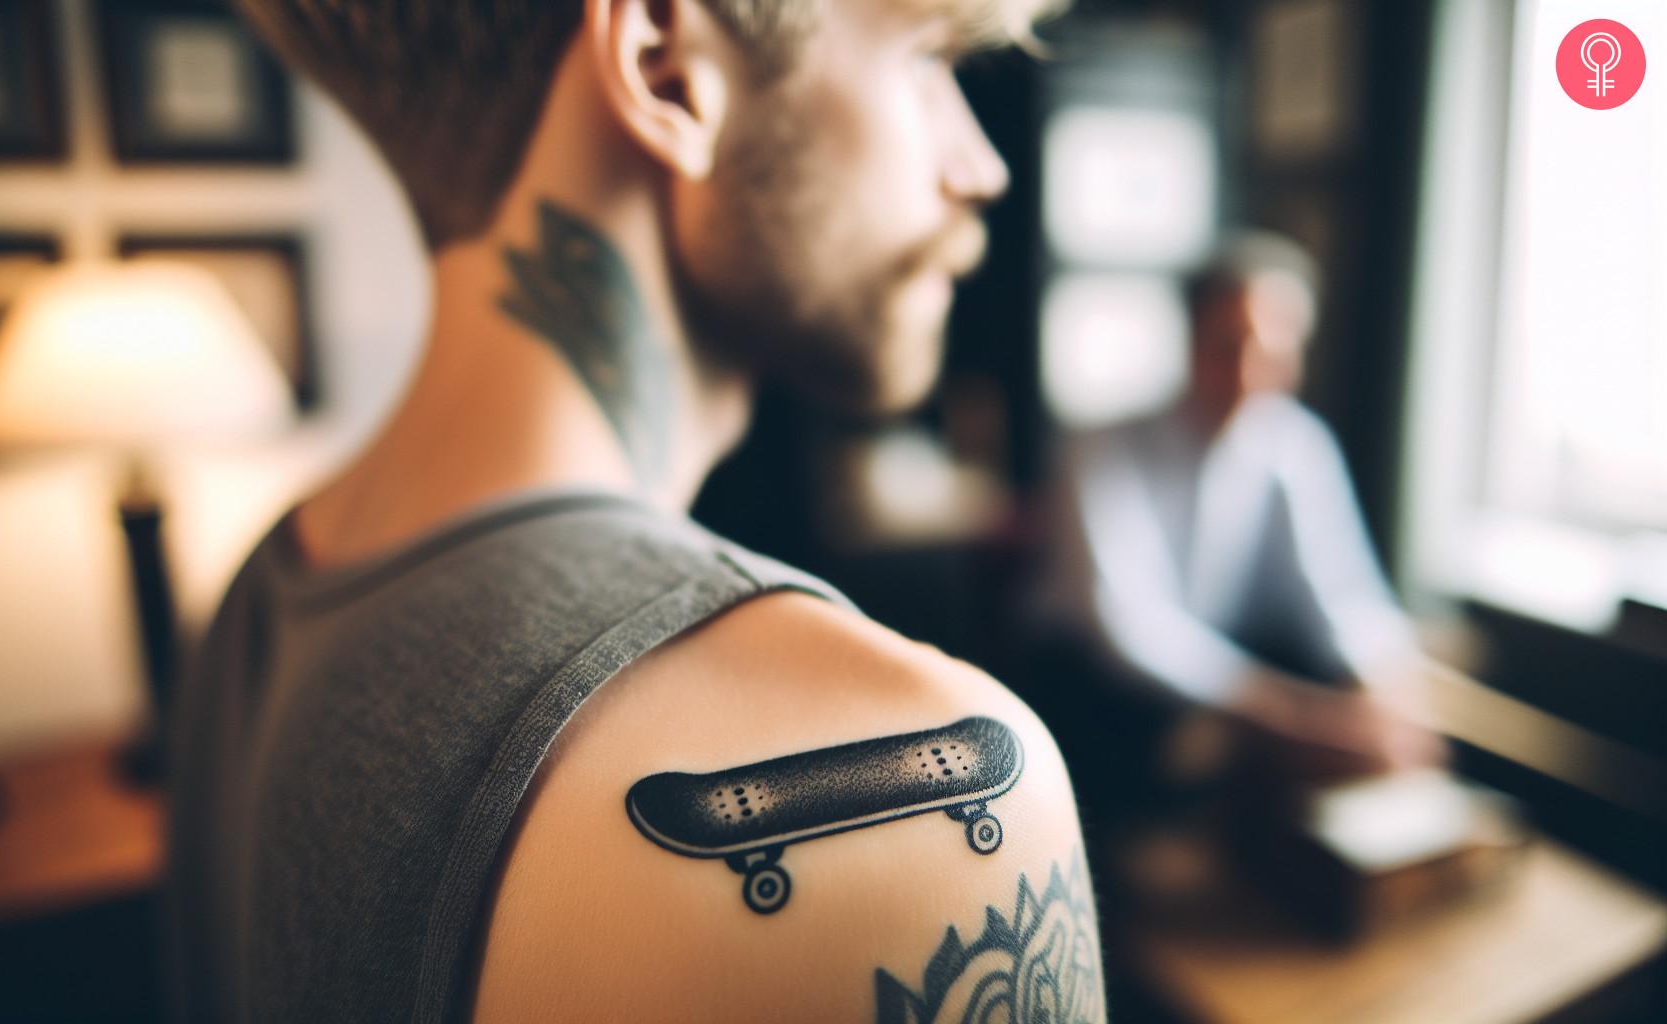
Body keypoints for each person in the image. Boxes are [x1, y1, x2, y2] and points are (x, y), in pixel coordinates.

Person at [168, 2, 1103, 1023]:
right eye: (931, 60)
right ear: (665, 70)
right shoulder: (929, 784)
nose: (980, 166)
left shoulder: (264, 590)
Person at [1035, 231, 1441, 800]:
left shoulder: (1297, 444)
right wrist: (1296, 715)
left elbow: (1343, 591)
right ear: (1191, 340)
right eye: (1228, 346)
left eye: (1273, 353)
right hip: (1095, 691)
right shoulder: (1102, 447)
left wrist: (1386, 689)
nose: (1249, 375)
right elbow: (1128, 628)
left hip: (1227, 681)